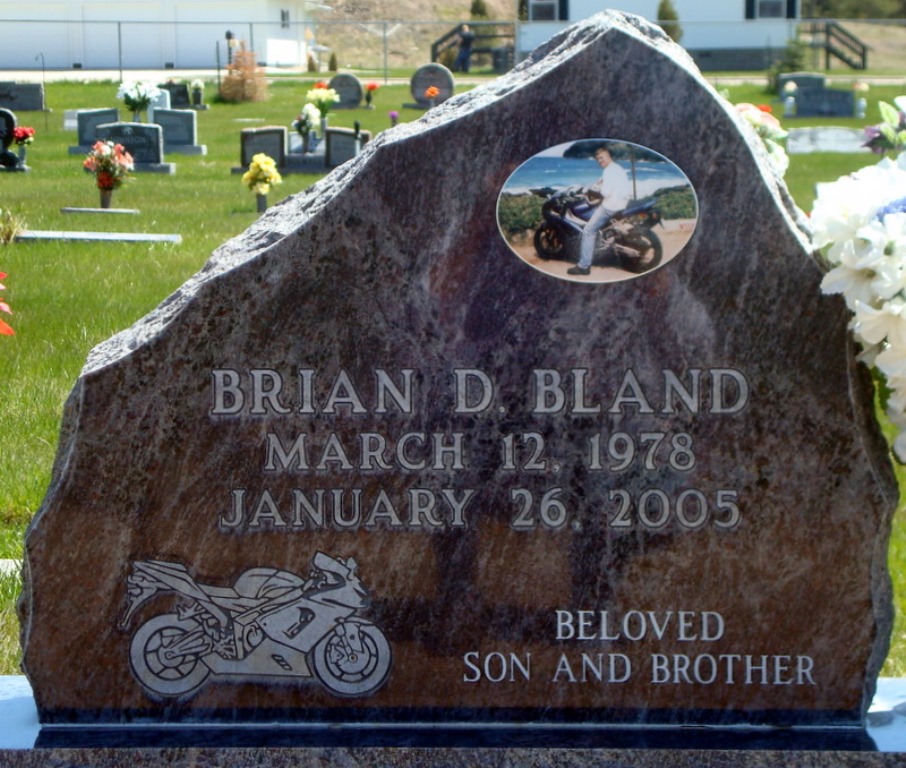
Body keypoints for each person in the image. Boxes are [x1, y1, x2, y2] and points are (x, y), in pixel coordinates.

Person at [567, 145, 632, 276]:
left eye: (601, 158)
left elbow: (606, 192)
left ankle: (584, 266)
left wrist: (596, 188)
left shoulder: (608, 171)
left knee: (588, 231)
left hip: (610, 206)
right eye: (598, 159)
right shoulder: (617, 168)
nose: (600, 161)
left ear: (608, 155)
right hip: (622, 203)